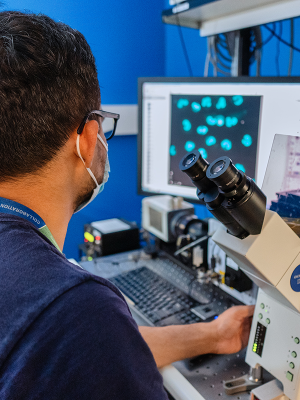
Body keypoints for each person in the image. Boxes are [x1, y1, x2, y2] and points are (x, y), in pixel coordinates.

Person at [0, 11, 254, 399]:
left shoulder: (76, 323)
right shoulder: (77, 309)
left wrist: (214, 334)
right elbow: (89, 338)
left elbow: (101, 352)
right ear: (88, 138)